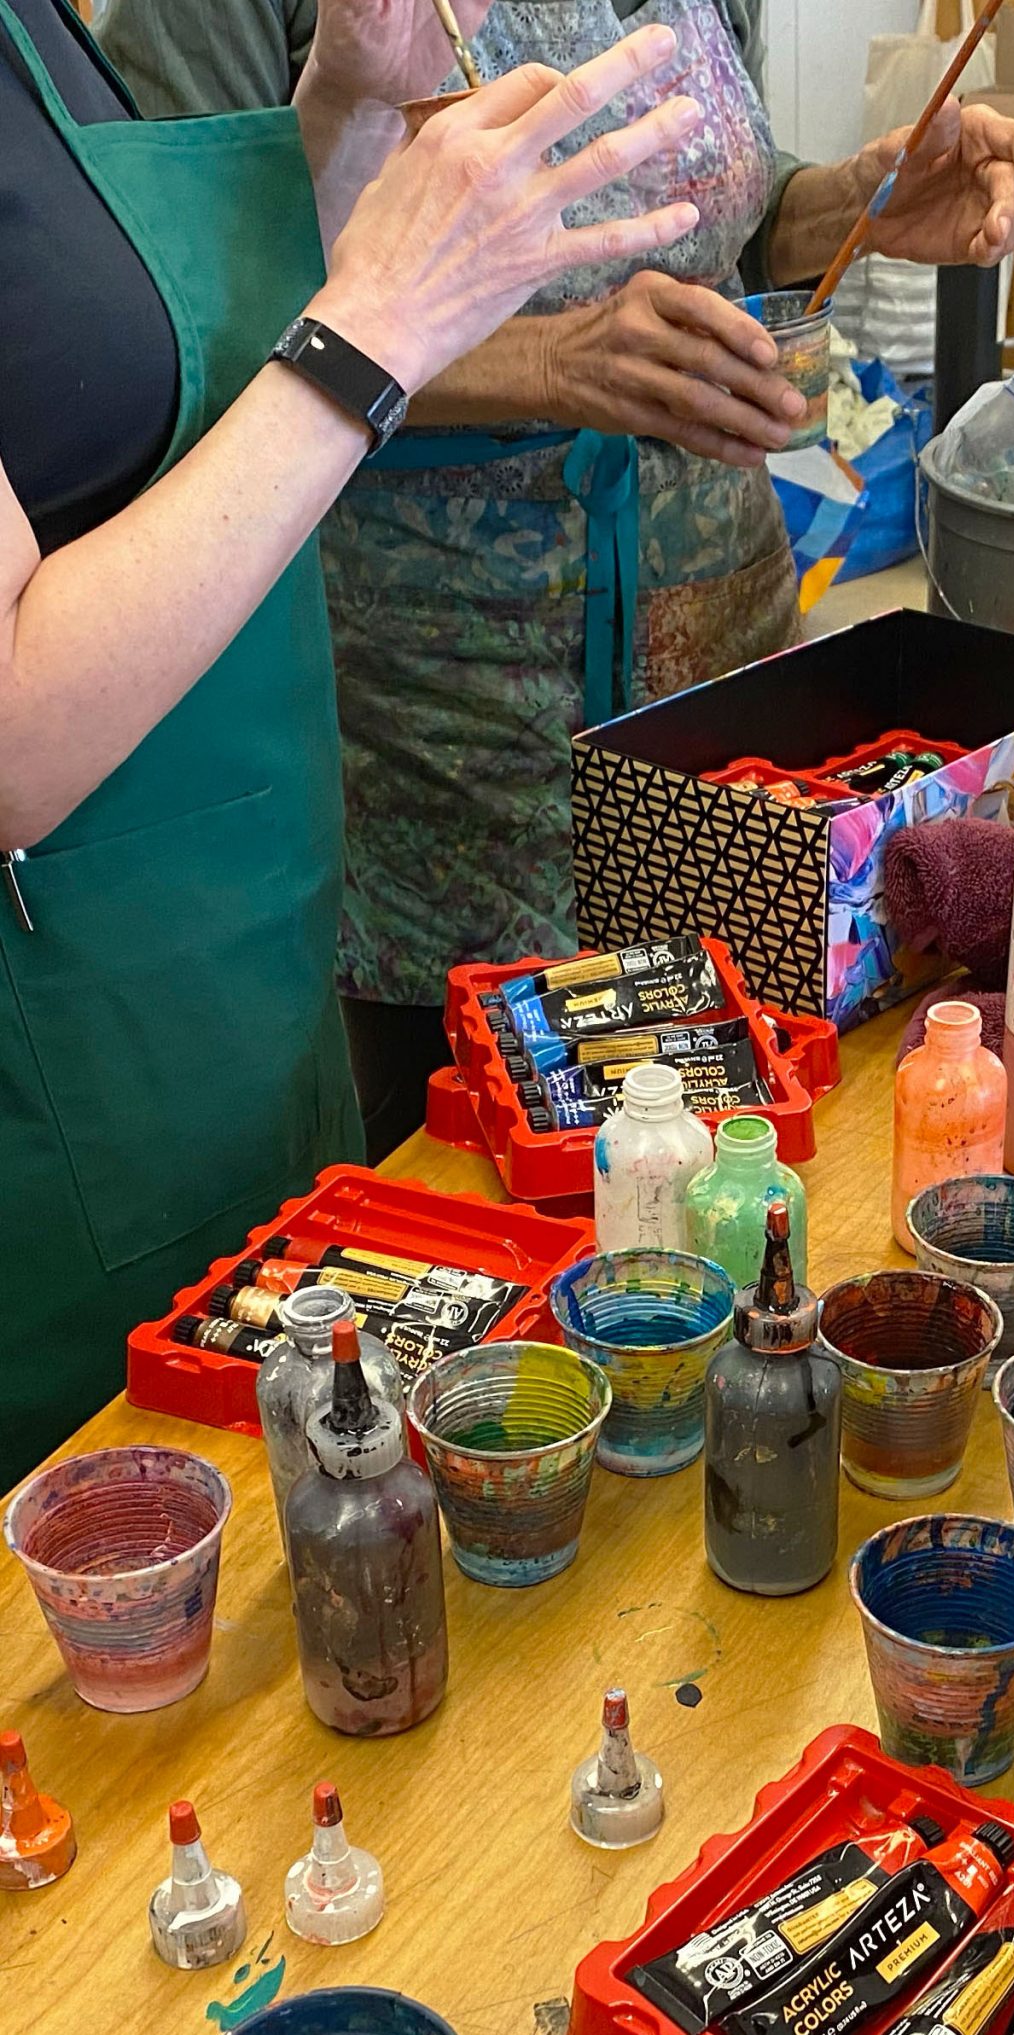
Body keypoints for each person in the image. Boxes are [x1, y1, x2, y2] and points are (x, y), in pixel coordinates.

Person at [100, 0, 1014, 1157]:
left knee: (746, 1144)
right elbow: (184, 322)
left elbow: (707, 221)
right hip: (438, 728)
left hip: (714, 682)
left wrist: (858, 203)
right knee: (476, 1165)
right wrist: (552, 360)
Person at [0, 0, 704, 1477]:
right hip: (73, 1065)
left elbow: (164, 397)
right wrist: (379, 324)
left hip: (240, 979)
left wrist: (345, 113)